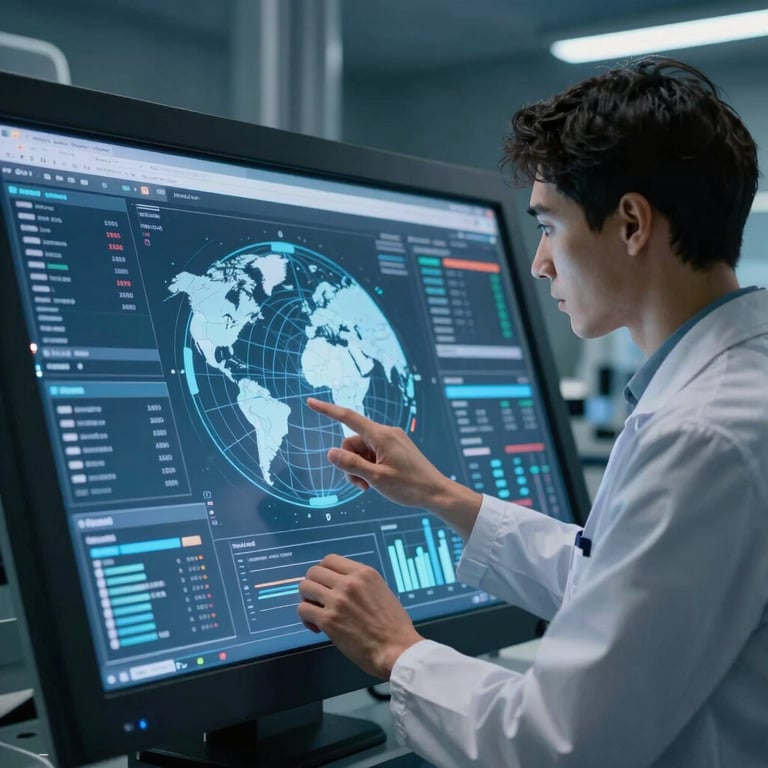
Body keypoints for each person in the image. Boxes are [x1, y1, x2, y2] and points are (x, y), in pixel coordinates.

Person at [297, 56, 768, 767]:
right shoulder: (734, 383)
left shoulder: (699, 433)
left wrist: (398, 650)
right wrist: (442, 496)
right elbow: (628, 595)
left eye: (549, 226)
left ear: (632, 223)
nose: (541, 263)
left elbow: (563, 743)